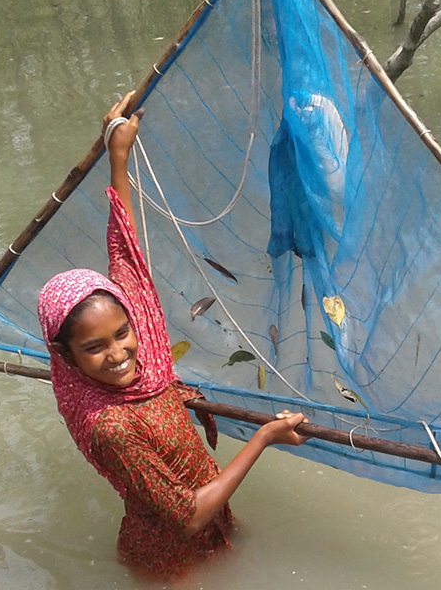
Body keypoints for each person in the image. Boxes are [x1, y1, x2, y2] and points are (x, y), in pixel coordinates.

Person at [37, 91, 308, 578]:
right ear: (65, 356)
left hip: (213, 508)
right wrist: (265, 436)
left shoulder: (144, 363)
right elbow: (186, 518)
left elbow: (126, 247)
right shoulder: (111, 426)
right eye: (94, 347)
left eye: (122, 333)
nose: (120, 353)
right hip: (170, 553)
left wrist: (117, 153)